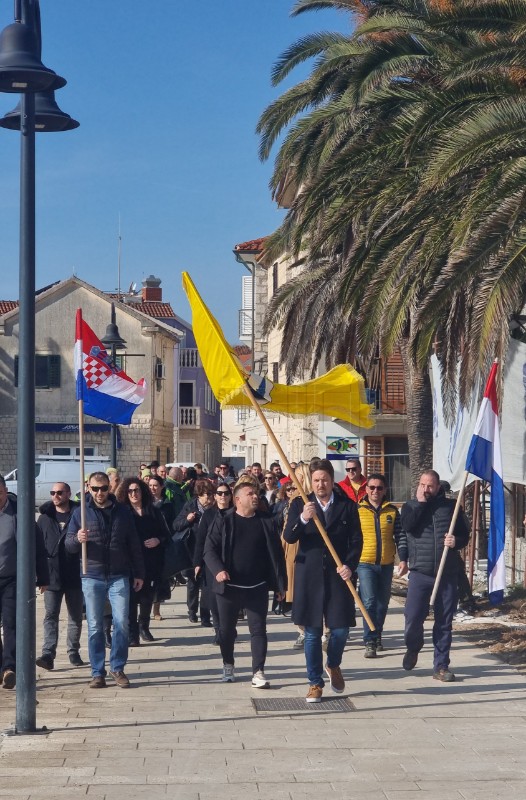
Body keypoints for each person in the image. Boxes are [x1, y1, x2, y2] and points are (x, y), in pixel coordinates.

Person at [283, 459, 363, 703]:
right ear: (311, 481)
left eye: (325, 480)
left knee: (340, 629)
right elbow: (289, 536)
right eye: (316, 480)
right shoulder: (300, 504)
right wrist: (305, 518)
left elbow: (356, 540)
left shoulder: (347, 506)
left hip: (338, 575)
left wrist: (350, 565)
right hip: (310, 576)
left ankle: (334, 664)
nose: (320, 484)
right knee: (312, 632)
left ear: (331, 480)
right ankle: (314, 682)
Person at [204, 477, 287, 686]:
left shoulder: (265, 522)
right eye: (250, 494)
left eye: (256, 494)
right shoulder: (224, 520)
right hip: (229, 586)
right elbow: (209, 549)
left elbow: (276, 555)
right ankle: (228, 664)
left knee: (258, 630)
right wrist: (218, 570)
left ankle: (258, 671)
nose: (255, 497)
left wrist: (279, 585)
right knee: (226, 630)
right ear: (238, 499)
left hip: (257, 587)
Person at [65, 471, 145, 689]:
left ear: (109, 488)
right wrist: (77, 539)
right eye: (95, 488)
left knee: (122, 623)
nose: (100, 493)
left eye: (103, 488)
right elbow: (68, 545)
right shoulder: (80, 512)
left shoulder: (122, 511)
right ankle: (97, 672)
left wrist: (139, 573)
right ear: (88, 488)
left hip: (119, 574)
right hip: (92, 574)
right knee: (95, 626)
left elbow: (133, 543)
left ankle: (117, 667)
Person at [400, 469, 470, 682]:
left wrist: (455, 541)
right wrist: (421, 504)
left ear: (438, 487)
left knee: (444, 622)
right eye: (422, 485)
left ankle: (441, 666)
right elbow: (408, 527)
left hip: (446, 573)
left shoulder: (451, 508)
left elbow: (464, 535)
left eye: (430, 486)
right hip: (420, 573)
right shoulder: (409, 507)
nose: (426, 489)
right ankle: (413, 647)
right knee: (413, 618)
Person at [0, 476, 49, 689]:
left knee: (11, 622)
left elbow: (37, 546)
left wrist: (43, 576)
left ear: (5, 491)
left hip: (12, 578)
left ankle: (9, 667)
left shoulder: (19, 513)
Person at [36, 482, 84, 670]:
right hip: (51, 575)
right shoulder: (44, 518)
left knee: (75, 616)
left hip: (75, 573)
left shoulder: (79, 515)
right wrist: (39, 575)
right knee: (50, 615)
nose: (56, 495)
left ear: (68, 493)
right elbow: (38, 548)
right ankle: (48, 653)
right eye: (53, 492)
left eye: (60, 492)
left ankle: (73, 651)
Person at [116, 478, 169, 645]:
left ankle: (144, 627)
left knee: (147, 598)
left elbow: (166, 535)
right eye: (130, 491)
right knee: (131, 599)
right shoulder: (123, 512)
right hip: (129, 562)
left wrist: (157, 540)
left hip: (151, 561)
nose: (134, 494)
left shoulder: (153, 511)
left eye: (137, 490)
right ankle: (132, 634)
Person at [356, 474, 403, 658]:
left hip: (386, 563)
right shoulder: (358, 510)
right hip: (364, 563)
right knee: (369, 602)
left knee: (383, 603)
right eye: (372, 487)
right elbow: (352, 538)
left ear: (385, 490)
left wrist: (404, 559)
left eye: (379, 488)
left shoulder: (391, 511)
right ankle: (369, 640)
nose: (375, 491)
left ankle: (377, 634)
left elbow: (400, 536)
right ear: (366, 489)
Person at [194, 483, 234, 644]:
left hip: (231, 562)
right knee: (213, 598)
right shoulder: (209, 515)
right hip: (211, 563)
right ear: (215, 496)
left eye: (226, 493)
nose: (223, 496)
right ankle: (219, 630)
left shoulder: (235, 513)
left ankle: (228, 628)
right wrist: (197, 563)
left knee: (230, 599)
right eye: (219, 493)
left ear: (231, 496)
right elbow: (201, 540)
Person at [173, 479, 216, 625]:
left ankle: (205, 615)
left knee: (206, 584)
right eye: (207, 495)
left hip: (209, 550)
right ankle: (192, 611)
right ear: (199, 496)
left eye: (211, 494)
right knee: (193, 582)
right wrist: (188, 519)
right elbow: (176, 525)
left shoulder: (215, 509)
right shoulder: (190, 506)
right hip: (191, 550)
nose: (210, 498)